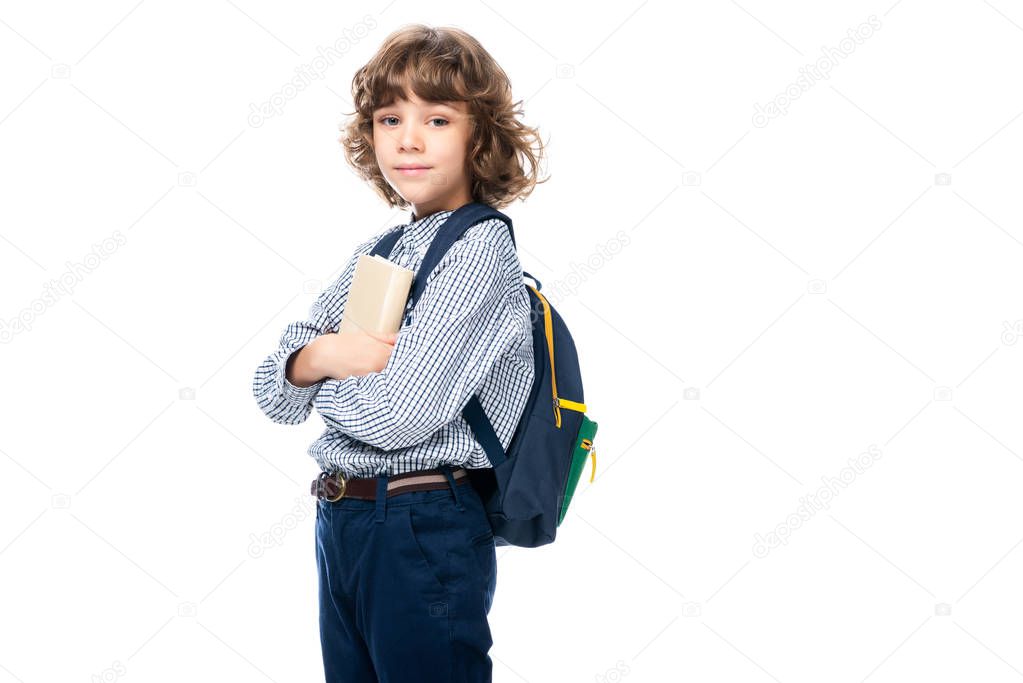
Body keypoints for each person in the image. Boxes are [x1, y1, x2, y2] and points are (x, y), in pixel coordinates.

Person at [251, 23, 547, 683]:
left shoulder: (479, 250)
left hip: (420, 523)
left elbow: (396, 418)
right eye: (390, 118)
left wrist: (320, 365)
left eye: (436, 118)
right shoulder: (381, 250)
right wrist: (333, 353)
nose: (408, 139)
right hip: (344, 517)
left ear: (480, 137)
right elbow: (271, 391)